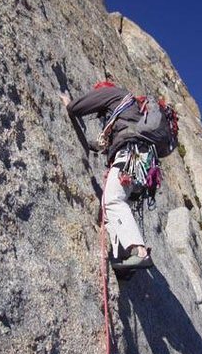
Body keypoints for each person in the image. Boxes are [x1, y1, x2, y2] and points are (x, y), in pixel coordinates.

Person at [60, 80, 154, 270]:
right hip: (139, 162)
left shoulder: (114, 93)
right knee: (114, 207)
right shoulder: (129, 112)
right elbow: (104, 144)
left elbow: (79, 107)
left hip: (130, 156)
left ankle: (140, 252)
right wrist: (92, 145)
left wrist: (69, 103)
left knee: (113, 201)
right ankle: (124, 260)